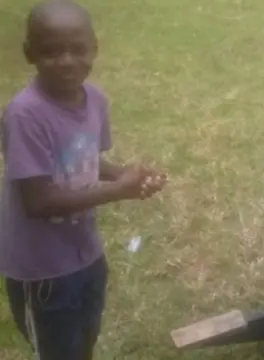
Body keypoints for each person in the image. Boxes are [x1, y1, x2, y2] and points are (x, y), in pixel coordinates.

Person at [0, 0, 167, 359]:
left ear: (95, 49)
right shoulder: (25, 116)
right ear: (29, 54)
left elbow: (88, 159)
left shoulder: (95, 100)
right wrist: (118, 190)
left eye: (78, 50)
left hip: (86, 253)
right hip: (41, 268)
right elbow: (38, 201)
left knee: (85, 336)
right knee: (57, 350)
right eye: (50, 52)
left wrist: (123, 173)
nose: (66, 61)